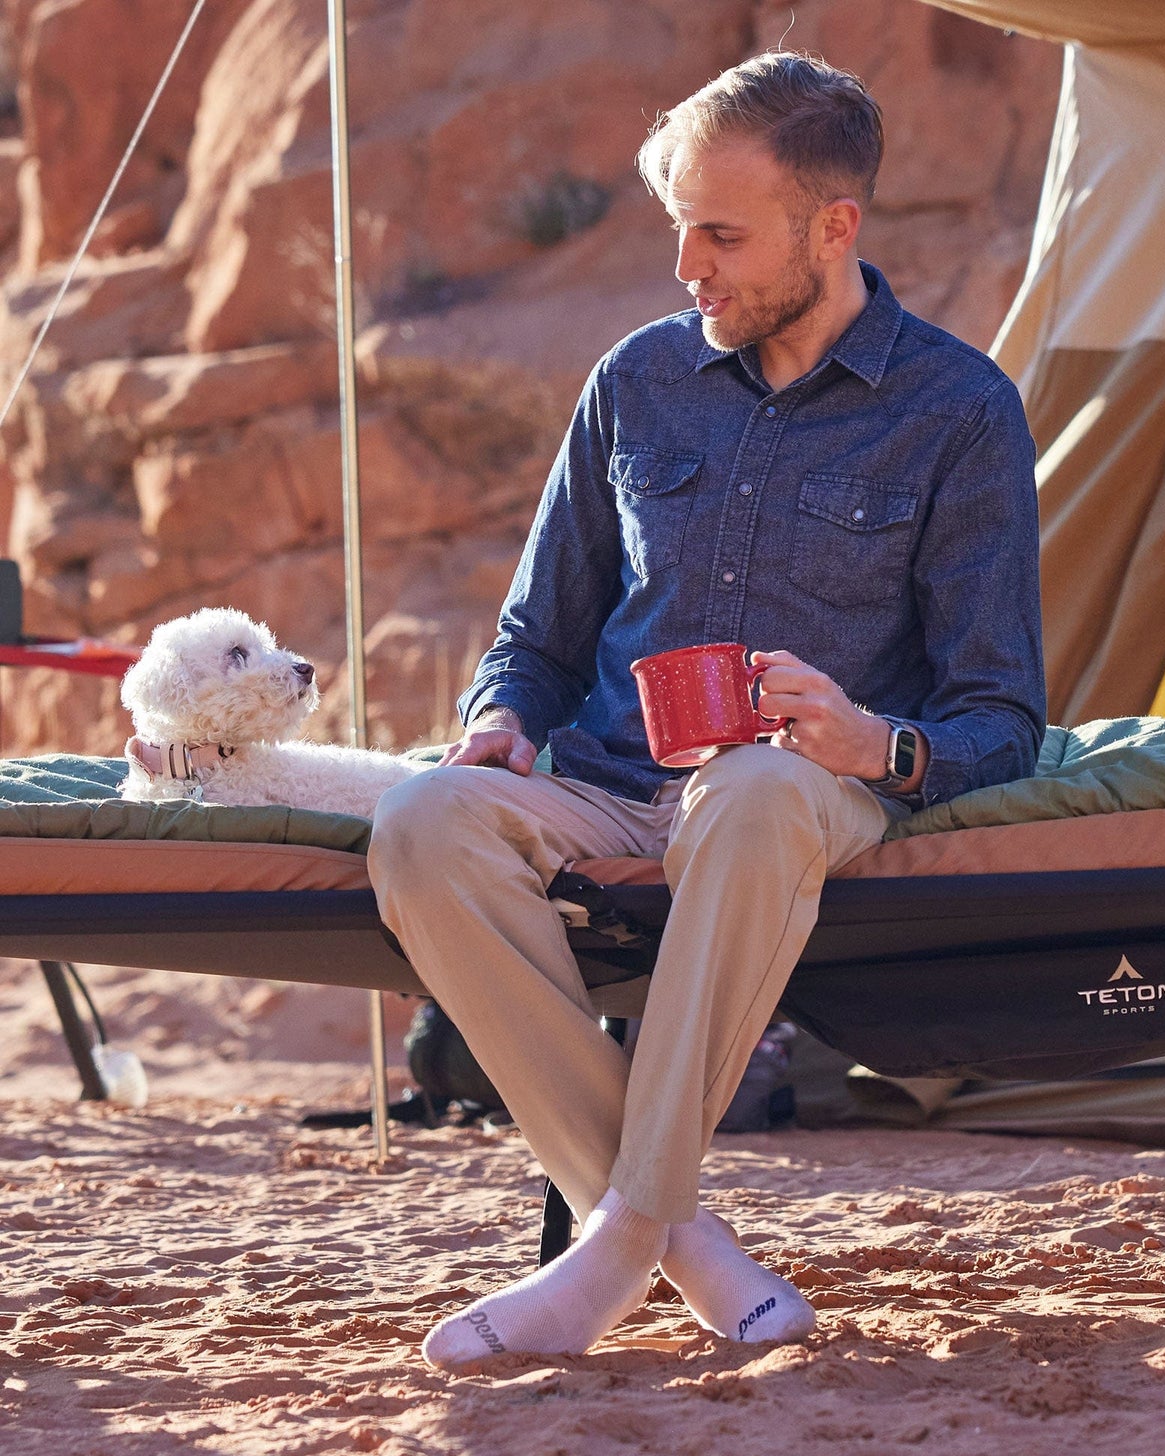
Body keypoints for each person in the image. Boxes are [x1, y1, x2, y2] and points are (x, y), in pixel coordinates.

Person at [368, 50, 1045, 1370]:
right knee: (421, 822)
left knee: (748, 786)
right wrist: (502, 721)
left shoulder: (960, 413)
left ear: (833, 228)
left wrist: (876, 742)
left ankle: (611, 1245)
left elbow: (1000, 715)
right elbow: (538, 637)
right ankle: (676, 1241)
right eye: (679, 228)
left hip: (808, 791)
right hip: (612, 776)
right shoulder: (635, 381)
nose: (689, 267)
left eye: (723, 235)